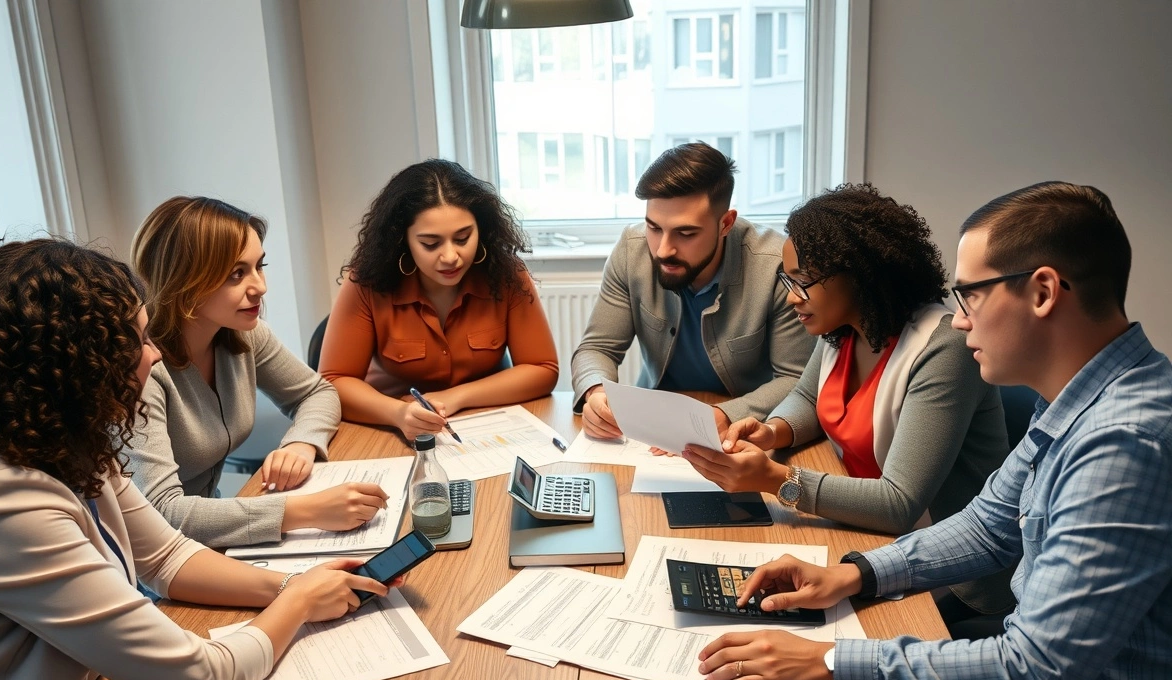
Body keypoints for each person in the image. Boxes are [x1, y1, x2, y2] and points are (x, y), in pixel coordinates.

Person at [696, 182, 1172, 680]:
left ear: (1042, 293)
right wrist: (855, 574)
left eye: (971, 295)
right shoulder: (1073, 402)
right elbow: (987, 526)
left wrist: (829, 661)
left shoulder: (1124, 444)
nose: (961, 319)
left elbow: (1031, 675)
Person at [0, 239, 397, 680]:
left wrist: (298, 584)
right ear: (77, 365)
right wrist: (299, 602)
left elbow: (167, 557)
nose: (154, 355)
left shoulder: (63, 443)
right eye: (138, 341)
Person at [682, 184, 1014, 623]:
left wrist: (777, 479)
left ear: (857, 275)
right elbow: (808, 396)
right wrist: (772, 432)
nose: (791, 296)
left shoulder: (944, 348)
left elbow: (900, 503)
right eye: (787, 280)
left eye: (802, 281)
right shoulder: (844, 328)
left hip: (953, 577)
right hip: (871, 536)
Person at [128, 197, 388, 549]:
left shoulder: (243, 334)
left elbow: (317, 393)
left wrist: (302, 442)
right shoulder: (141, 368)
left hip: (209, 539)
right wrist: (306, 511)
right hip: (145, 561)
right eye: (237, 274)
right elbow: (163, 513)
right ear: (184, 282)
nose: (260, 287)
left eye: (258, 266)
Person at [571, 142, 813, 439]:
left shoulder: (776, 266)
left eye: (685, 233)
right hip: (653, 426)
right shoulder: (630, 252)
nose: (663, 250)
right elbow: (597, 348)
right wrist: (596, 391)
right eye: (653, 228)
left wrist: (727, 414)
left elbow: (795, 378)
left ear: (726, 224)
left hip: (744, 431)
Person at [320, 159, 558, 440]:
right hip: (388, 429)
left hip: (484, 426)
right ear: (403, 240)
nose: (450, 257)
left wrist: (455, 396)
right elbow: (333, 382)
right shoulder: (366, 282)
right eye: (430, 244)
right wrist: (398, 413)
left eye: (463, 238)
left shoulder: (506, 274)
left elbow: (542, 369)